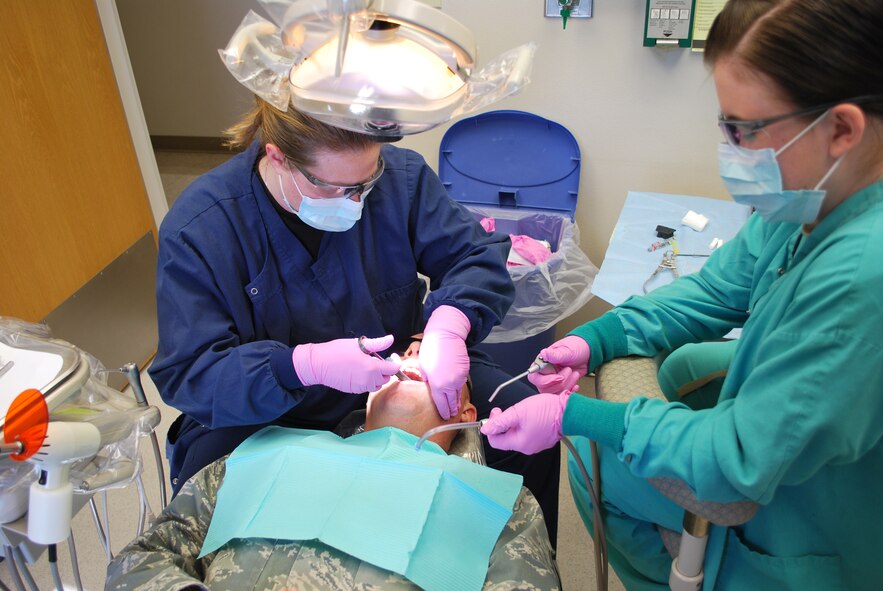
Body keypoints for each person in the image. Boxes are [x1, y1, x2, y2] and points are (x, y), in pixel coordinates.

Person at [481, 0, 883, 588]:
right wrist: (598, 338)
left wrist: (581, 414)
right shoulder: (810, 195)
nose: (731, 150)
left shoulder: (860, 276)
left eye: (743, 130)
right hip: (783, 440)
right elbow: (714, 292)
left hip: (812, 526)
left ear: (842, 129)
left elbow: (735, 460)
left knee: (600, 469)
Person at [149, 103, 560, 543]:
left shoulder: (401, 178)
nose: (358, 202)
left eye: (367, 182)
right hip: (267, 406)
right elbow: (189, 371)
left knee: (529, 427)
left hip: (399, 360)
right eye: (336, 187)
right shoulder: (203, 227)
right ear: (278, 157)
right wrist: (301, 366)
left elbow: (475, 256)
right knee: (212, 501)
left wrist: (447, 324)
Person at [106, 355, 560, 591]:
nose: (413, 357)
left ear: (465, 410)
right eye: (407, 352)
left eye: (433, 360)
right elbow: (138, 562)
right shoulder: (262, 453)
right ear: (366, 397)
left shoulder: (496, 502)